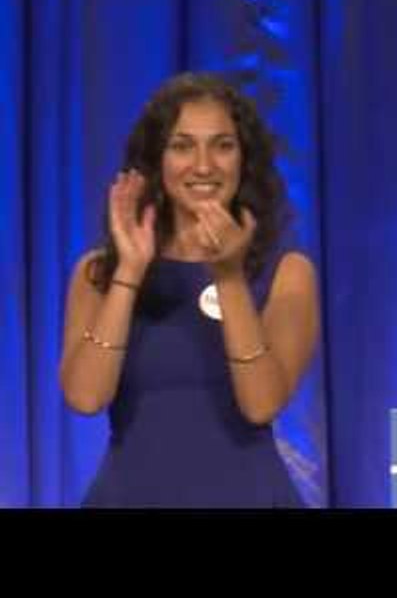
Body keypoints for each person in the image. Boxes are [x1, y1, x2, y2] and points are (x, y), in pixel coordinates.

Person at [59, 72, 319, 507]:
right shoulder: (99, 272)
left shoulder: (288, 272)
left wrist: (230, 277)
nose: (203, 165)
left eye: (222, 145)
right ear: (157, 161)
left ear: (243, 159)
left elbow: (261, 404)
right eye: (182, 146)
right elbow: (85, 397)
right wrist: (130, 272)